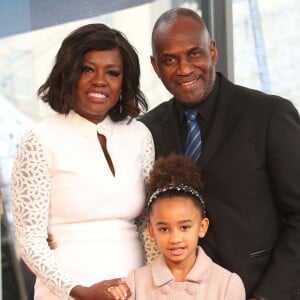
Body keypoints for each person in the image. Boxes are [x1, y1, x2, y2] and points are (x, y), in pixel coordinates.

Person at [139, 7, 300, 300]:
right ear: (155, 66)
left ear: (212, 51)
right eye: (170, 60)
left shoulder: (269, 115)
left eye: (194, 54)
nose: (184, 68)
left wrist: (268, 296)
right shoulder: (146, 131)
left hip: (259, 288)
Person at [11, 23, 154, 299]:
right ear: (69, 73)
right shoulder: (40, 139)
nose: (100, 80)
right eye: (88, 69)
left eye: (112, 73)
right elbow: (30, 241)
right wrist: (80, 292)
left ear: (123, 83)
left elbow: (148, 225)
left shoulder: (139, 135)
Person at [108, 153, 245, 300]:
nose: (175, 238)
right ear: (151, 231)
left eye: (184, 227)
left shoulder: (227, 284)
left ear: (202, 227)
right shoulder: (135, 282)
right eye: (164, 229)